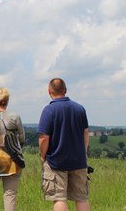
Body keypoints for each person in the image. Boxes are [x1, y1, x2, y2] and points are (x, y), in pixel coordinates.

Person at [38, 78, 90, 211]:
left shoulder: (49, 110)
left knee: (59, 198)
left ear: (49, 92)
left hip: (56, 161)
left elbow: (44, 138)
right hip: (78, 160)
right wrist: (83, 153)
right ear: (65, 90)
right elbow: (85, 133)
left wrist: (43, 156)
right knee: (82, 198)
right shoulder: (79, 109)